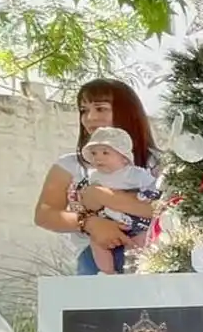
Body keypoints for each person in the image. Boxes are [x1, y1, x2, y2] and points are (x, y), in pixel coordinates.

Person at [33, 78, 160, 276]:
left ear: (127, 112)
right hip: (94, 259)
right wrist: (90, 223)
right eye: (83, 110)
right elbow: (45, 214)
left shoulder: (156, 163)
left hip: (152, 256)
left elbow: (165, 210)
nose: (89, 117)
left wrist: (101, 196)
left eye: (100, 108)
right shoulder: (68, 165)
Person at [80, 127, 158, 274]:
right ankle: (107, 272)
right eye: (94, 153)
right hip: (108, 223)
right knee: (96, 243)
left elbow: (153, 188)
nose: (98, 157)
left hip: (137, 223)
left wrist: (145, 196)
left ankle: (135, 270)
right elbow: (85, 200)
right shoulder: (94, 176)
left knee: (140, 242)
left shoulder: (134, 174)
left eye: (105, 152)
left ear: (123, 157)